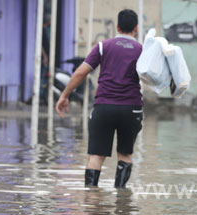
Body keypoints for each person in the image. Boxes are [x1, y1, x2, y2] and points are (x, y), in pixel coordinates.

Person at [56, 9, 143, 188]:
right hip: (131, 108)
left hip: (104, 107)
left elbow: (81, 72)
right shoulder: (141, 49)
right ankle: (121, 199)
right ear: (136, 28)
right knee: (125, 154)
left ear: (117, 27)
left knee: (96, 155)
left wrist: (64, 95)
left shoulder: (103, 46)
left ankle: (91, 200)